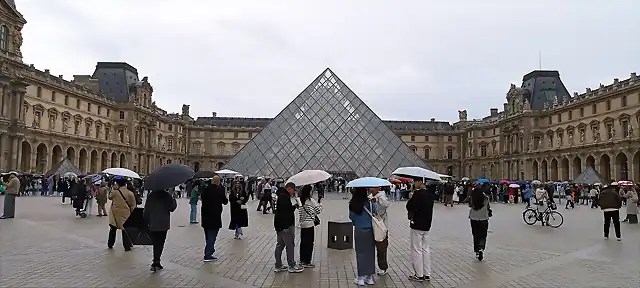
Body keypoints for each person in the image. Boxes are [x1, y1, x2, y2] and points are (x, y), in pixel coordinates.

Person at [406, 179, 435, 282]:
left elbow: (409, 206)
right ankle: (427, 274)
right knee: (425, 249)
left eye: (415, 181)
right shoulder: (430, 194)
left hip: (417, 224)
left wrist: (412, 196)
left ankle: (419, 274)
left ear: (420, 182)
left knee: (416, 249)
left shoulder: (418, 194)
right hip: (427, 225)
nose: (414, 183)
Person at [144, 188, 177, 271]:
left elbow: (146, 210)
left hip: (153, 223)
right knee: (161, 243)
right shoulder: (167, 195)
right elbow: (172, 208)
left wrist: (146, 221)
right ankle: (157, 261)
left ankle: (155, 261)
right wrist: (174, 199)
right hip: (163, 223)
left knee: (155, 243)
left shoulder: (151, 195)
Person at [273, 182, 304, 273]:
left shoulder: (282, 196)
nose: (294, 192)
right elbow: (285, 213)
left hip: (279, 225)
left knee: (280, 245)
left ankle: (278, 265)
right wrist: (285, 226)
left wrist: (293, 205)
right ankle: (292, 265)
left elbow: (283, 211)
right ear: (289, 188)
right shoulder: (284, 198)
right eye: (294, 190)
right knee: (290, 245)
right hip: (286, 226)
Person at [349, 187, 376, 286]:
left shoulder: (353, 203)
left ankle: (360, 277)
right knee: (370, 253)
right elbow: (375, 213)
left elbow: (351, 217)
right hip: (370, 230)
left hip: (359, 230)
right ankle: (369, 277)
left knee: (360, 254)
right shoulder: (370, 203)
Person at [201, 176, 228, 261]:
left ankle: (210, 250)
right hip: (215, 216)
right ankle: (208, 254)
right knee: (212, 236)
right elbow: (225, 201)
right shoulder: (219, 190)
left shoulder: (206, 189)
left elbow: (202, 198)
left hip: (205, 215)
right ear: (218, 182)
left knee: (208, 235)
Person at [107, 176, 137, 250]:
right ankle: (127, 246)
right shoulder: (130, 193)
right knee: (125, 230)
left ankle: (110, 244)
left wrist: (112, 188)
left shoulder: (115, 192)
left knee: (113, 228)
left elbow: (109, 197)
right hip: (125, 213)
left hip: (115, 213)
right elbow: (133, 205)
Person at [298, 184, 322, 268]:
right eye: (311, 191)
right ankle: (307, 261)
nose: (312, 192)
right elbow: (318, 211)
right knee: (309, 243)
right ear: (309, 192)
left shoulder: (300, 201)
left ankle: (302, 260)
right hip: (309, 225)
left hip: (302, 225)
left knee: (303, 243)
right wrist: (320, 204)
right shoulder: (311, 201)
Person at [369, 186, 390, 275]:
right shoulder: (369, 196)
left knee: (381, 247)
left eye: (373, 187)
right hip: (371, 224)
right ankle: (370, 266)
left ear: (378, 188)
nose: (370, 188)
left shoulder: (382, 196)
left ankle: (383, 267)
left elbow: (385, 205)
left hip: (381, 225)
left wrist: (377, 200)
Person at [469, 184, 491, 261]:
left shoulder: (472, 197)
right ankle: (481, 248)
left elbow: (470, 205)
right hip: (483, 218)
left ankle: (477, 251)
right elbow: (488, 207)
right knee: (483, 235)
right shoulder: (485, 198)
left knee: (475, 234)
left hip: (474, 218)